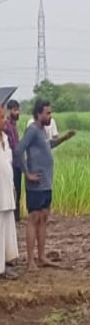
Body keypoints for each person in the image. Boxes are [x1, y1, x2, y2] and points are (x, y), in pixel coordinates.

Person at [18, 100, 75, 268]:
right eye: (47, 113)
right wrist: (27, 173)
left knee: (43, 218)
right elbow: (19, 150)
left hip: (46, 183)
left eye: (51, 113)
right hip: (35, 184)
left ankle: (42, 257)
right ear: (39, 114)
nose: (50, 116)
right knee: (33, 218)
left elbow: (47, 145)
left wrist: (64, 138)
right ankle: (30, 261)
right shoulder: (32, 130)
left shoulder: (43, 132)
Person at [0, 116, 18, 278]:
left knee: (7, 230)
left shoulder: (5, 139)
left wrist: (12, 186)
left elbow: (8, 165)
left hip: (7, 190)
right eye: (0, 118)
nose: (4, 120)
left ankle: (6, 265)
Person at [5, 100, 21, 222]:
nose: (17, 112)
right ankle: (13, 216)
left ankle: (17, 215)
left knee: (17, 189)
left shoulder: (14, 125)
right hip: (10, 163)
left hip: (17, 162)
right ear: (10, 110)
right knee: (12, 189)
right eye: (15, 110)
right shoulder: (6, 126)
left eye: (18, 109)